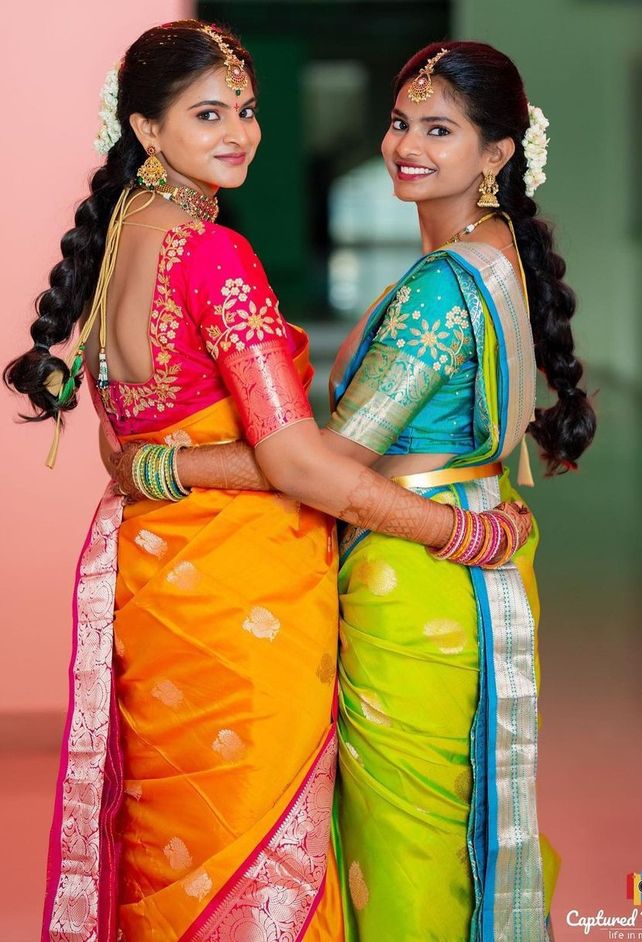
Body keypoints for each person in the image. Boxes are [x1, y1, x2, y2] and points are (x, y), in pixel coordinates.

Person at [5, 23, 532, 942]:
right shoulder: (215, 258)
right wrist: (453, 531)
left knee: (170, 846)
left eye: (244, 111)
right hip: (244, 592)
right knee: (253, 857)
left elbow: (125, 446)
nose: (239, 133)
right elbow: (298, 457)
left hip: (154, 578)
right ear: (146, 128)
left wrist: (155, 467)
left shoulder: (120, 242)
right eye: (208, 114)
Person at [114, 39, 598, 942]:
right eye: (401, 122)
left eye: (440, 130)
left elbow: (321, 456)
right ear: (147, 130)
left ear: (497, 154)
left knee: (406, 849)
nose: (405, 145)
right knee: (453, 830)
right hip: (460, 550)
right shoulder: (493, 255)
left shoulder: (437, 290)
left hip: (415, 580)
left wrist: (162, 464)